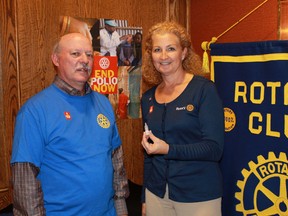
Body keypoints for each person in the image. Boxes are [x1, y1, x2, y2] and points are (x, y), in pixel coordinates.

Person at [10, 33, 129, 216]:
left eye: (89, 55)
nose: (85, 60)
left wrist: (121, 209)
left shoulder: (103, 103)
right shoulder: (35, 111)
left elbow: (116, 159)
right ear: (56, 59)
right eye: (75, 54)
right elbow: (25, 179)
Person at [140, 21, 224, 216]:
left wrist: (168, 149)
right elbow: (148, 155)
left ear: (184, 52)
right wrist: (145, 196)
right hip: (157, 195)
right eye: (157, 50)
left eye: (171, 49)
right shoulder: (148, 98)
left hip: (198, 196)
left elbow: (214, 148)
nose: (163, 56)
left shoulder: (204, 90)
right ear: (150, 55)